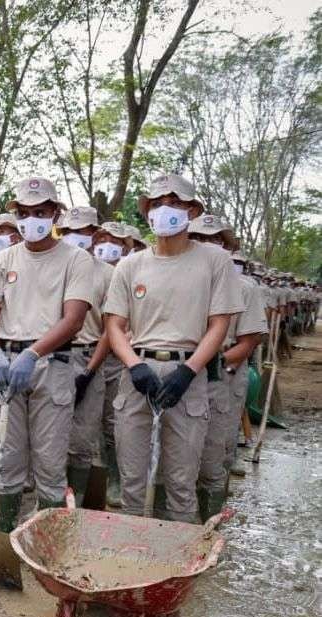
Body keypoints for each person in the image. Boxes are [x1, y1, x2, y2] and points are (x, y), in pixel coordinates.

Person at [104, 173, 243, 522]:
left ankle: (178, 564)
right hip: (138, 373)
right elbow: (115, 325)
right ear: (148, 211)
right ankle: (133, 557)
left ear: (192, 210)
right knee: (133, 479)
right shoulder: (130, 264)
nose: (166, 209)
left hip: (187, 373)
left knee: (181, 480)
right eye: (158, 203)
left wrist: (189, 370)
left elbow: (219, 324)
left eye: (176, 203)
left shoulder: (214, 261)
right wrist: (134, 365)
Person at [0, 177, 92, 529]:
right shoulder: (3, 258)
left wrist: (33, 353)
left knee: (49, 461)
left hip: (52, 365)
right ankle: (5, 533)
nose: (31, 220)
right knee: (7, 460)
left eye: (40, 212)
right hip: (6, 364)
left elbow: (73, 320)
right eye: (24, 213)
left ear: (55, 214)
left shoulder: (76, 259)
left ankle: (48, 539)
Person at [188, 215, 265, 520]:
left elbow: (249, 341)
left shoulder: (245, 288)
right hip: (182, 373)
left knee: (213, 453)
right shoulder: (176, 279)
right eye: (200, 239)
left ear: (226, 247)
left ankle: (209, 524)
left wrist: (216, 362)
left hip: (222, 373)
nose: (207, 246)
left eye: (215, 240)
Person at [56, 206, 112, 499]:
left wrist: (89, 371)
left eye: (83, 232)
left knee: (81, 440)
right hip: (55, 357)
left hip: (90, 356)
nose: (75, 237)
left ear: (96, 235)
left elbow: (111, 329)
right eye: (69, 232)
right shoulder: (55, 265)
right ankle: (49, 502)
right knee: (49, 438)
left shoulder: (109, 274)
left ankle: (74, 500)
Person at [90, 222, 135, 507]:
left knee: (112, 424)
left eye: (115, 240)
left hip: (117, 360)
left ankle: (116, 480)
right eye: (104, 238)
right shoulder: (85, 269)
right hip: (84, 354)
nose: (108, 244)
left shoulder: (130, 273)